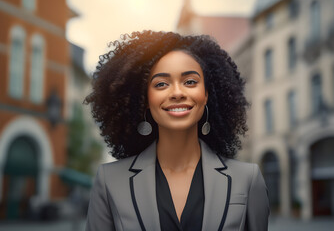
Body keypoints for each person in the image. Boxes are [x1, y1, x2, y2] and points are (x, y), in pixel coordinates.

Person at [84, 30, 269, 231]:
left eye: (190, 82)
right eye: (161, 84)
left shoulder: (247, 179)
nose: (177, 93)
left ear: (207, 94)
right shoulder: (109, 181)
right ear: (145, 99)